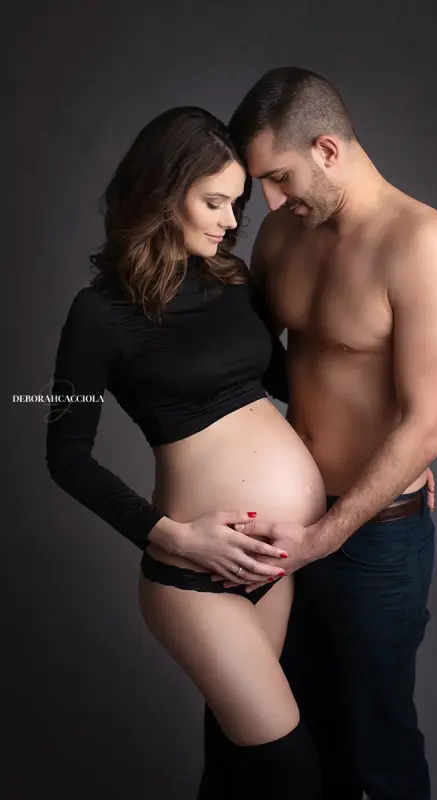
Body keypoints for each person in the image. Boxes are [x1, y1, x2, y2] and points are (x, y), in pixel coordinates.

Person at [201, 67, 437, 800]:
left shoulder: (424, 244)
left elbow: (428, 426)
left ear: (327, 149)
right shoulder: (284, 240)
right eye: (260, 183)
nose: (271, 201)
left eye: (280, 177)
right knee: (270, 747)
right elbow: (249, 364)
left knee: (374, 752)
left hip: (371, 540)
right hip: (275, 524)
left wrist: (326, 535)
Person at [45, 106, 328, 799]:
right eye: (213, 201)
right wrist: (177, 537)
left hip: (272, 560)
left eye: (235, 203)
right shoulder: (99, 314)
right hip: (195, 570)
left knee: (238, 763)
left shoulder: (231, 282)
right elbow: (66, 454)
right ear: (162, 189)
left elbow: (294, 389)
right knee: (288, 769)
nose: (231, 221)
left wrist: (403, 455)